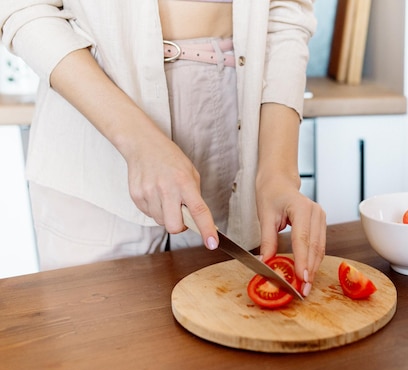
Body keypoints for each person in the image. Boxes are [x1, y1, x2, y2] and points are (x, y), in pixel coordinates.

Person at [0, 0, 326, 296]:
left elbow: (285, 15)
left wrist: (277, 172)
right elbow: (23, 7)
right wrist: (138, 140)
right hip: (93, 149)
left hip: (232, 144)